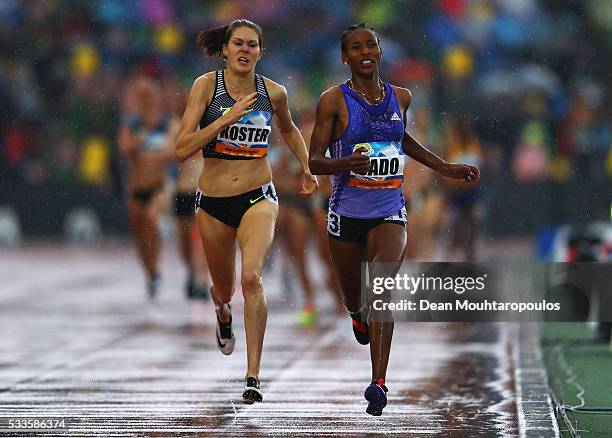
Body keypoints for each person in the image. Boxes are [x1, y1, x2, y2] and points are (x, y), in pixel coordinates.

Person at [308, 23, 480, 416]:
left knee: (381, 289)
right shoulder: (333, 101)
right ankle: (357, 316)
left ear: (381, 51)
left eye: (371, 44)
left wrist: (445, 167)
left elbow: (403, 141)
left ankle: (378, 382)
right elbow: (314, 159)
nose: (365, 51)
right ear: (345, 58)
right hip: (345, 213)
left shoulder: (401, 97)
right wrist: (344, 162)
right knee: (356, 298)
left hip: (389, 209)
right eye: (356, 47)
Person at [175, 19, 317, 403]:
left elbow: (288, 130)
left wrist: (306, 166)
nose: (244, 50)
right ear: (225, 49)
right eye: (238, 43)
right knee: (224, 288)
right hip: (214, 204)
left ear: (260, 52)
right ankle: (222, 312)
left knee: (251, 279)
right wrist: (225, 119)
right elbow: (182, 148)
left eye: (252, 45)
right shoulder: (206, 87)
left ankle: (252, 376)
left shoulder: (274, 93)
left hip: (259, 196)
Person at [118, 77, 176, 299]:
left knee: (152, 219)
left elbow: (171, 153)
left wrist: (143, 150)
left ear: (157, 99)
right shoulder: (130, 124)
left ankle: (156, 268)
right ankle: (151, 272)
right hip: (135, 189)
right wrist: (140, 141)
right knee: (140, 235)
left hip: (159, 186)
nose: (146, 101)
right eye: (141, 97)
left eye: (149, 96)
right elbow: (124, 149)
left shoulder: (167, 124)